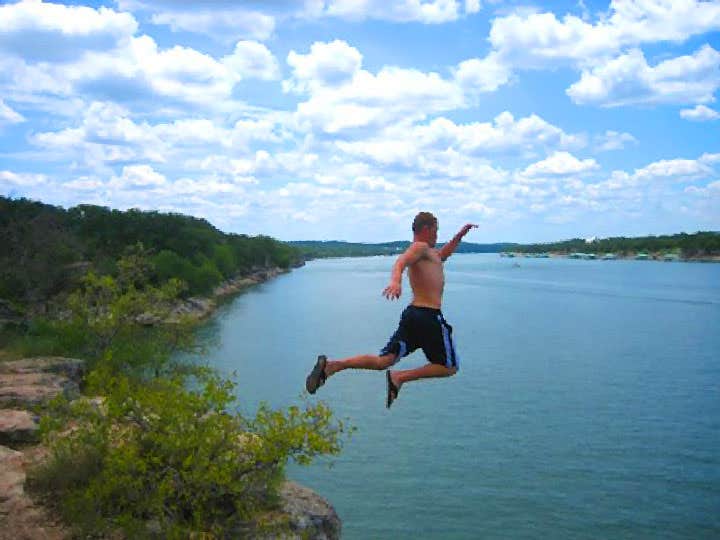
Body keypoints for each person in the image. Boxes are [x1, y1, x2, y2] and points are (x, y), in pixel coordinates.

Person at [305, 212, 477, 408]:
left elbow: (443, 255)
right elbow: (401, 262)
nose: (437, 236)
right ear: (426, 229)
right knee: (450, 367)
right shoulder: (419, 248)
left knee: (383, 361)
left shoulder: (430, 254)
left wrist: (460, 236)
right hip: (429, 317)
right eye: (436, 231)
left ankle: (333, 366)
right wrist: (395, 281)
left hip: (413, 316)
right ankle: (400, 377)